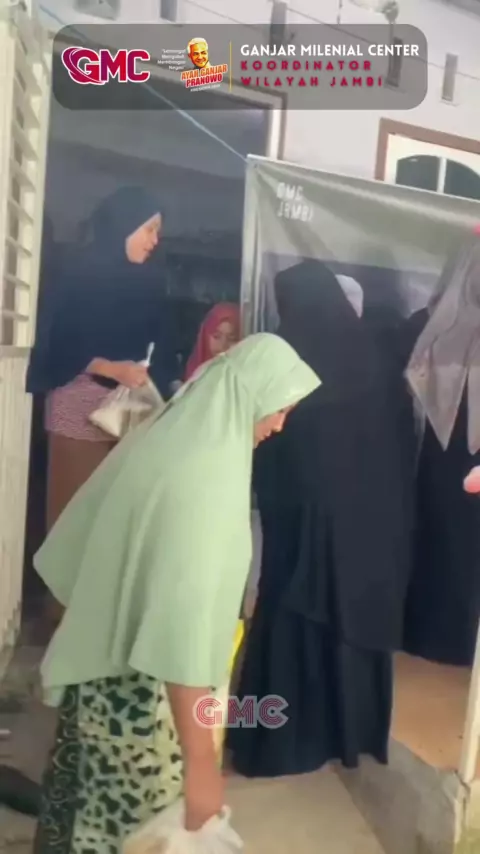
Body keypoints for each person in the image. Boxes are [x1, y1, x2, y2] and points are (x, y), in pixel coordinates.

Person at [32, 333, 320, 853]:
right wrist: (200, 763)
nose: (279, 424)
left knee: (78, 825)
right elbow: (177, 632)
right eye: (280, 408)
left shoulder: (174, 441)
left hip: (101, 681)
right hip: (139, 709)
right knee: (128, 836)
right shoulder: (202, 482)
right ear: (248, 395)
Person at [228, 259, 415, 778]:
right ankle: (351, 737)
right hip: (368, 531)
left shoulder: (285, 358)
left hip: (300, 528)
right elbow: (401, 447)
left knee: (288, 629)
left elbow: (263, 444)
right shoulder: (375, 362)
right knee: (352, 628)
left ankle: (271, 742)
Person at [26, 187, 178, 535]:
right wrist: (110, 369)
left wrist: (160, 377)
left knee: (114, 523)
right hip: (79, 406)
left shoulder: (150, 282)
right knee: (71, 519)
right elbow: (57, 341)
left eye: (158, 232)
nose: (155, 240)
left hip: (130, 411)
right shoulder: (78, 275)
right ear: (125, 224)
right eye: (149, 229)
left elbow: (163, 344)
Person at [402, 233, 480, 667]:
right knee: (453, 545)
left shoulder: (429, 324)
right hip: (445, 458)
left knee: (447, 543)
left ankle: (436, 635)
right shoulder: (429, 325)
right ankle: (451, 639)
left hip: (439, 458)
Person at [184, 303, 240, 381]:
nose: (223, 346)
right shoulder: (195, 374)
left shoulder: (245, 377)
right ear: (205, 337)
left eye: (232, 339)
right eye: (216, 336)